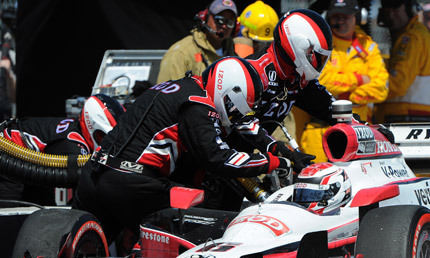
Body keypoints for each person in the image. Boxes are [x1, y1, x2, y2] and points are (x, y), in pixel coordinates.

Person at [72, 57, 291, 243]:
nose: (233, 116)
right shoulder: (198, 103)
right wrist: (272, 161)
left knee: (81, 254)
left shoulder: (174, 87)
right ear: (227, 90)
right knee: (204, 225)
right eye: (233, 108)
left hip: (94, 173)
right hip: (132, 184)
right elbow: (218, 158)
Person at [241, 9, 338, 167]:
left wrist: (360, 125)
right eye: (315, 56)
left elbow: (328, 106)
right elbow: (243, 124)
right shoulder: (255, 72)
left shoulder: (297, 76)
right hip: (215, 153)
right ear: (299, 46)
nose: (319, 63)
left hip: (246, 157)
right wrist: (284, 152)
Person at [300, 0, 388, 162]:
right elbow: (321, 81)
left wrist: (345, 96)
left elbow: (381, 88)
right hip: (319, 131)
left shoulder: (369, 47)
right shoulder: (320, 45)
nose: (340, 21)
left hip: (359, 133)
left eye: (345, 16)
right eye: (336, 16)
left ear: (357, 18)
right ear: (328, 17)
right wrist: (359, 79)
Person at [0, 94, 124, 204]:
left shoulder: (76, 131)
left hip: (31, 163)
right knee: (12, 209)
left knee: (43, 207)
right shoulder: (72, 146)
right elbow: (81, 185)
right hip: (8, 157)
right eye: (104, 137)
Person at [373, 0, 430, 124]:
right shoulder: (418, 33)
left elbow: (397, 83)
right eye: (387, 10)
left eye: (396, 10)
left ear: (410, 9)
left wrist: (363, 89)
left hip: (405, 118)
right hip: (412, 118)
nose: (391, 15)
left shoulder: (412, 37)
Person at [156, 0, 239, 83]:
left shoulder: (232, 52)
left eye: (230, 23)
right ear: (205, 18)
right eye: (219, 20)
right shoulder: (181, 53)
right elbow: (168, 90)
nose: (224, 26)